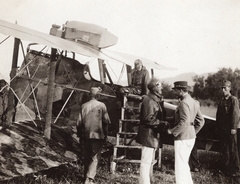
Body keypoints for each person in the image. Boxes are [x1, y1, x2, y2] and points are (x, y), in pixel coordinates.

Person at [167, 81, 205, 184]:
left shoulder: (183, 103)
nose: (175, 92)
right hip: (191, 137)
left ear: (181, 90)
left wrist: (172, 131)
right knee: (184, 164)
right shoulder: (193, 102)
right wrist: (193, 132)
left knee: (180, 166)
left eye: (176, 90)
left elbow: (184, 121)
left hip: (182, 137)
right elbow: (201, 121)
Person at [136, 77, 169, 184]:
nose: (162, 88)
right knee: (146, 161)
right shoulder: (149, 101)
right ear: (154, 89)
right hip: (148, 136)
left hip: (151, 136)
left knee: (148, 161)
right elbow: (148, 120)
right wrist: (163, 123)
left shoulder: (154, 99)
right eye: (159, 86)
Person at [76, 87, 111, 184]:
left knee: (87, 155)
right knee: (95, 157)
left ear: (89, 95)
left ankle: (85, 176)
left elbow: (79, 123)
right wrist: (106, 135)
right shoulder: (101, 105)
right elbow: (106, 122)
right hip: (97, 135)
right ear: (98, 95)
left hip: (86, 135)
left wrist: (79, 135)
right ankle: (89, 178)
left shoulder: (83, 106)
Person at [216, 80, 240, 176]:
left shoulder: (233, 100)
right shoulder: (221, 101)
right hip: (223, 129)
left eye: (225, 88)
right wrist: (217, 127)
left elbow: (236, 115)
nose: (223, 90)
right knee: (224, 149)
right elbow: (218, 115)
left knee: (233, 149)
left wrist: (233, 128)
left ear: (229, 89)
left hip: (230, 129)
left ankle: (237, 170)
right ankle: (226, 169)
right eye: (222, 88)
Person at [187, 86, 201, 172]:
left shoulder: (195, 102)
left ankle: (195, 165)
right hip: (190, 127)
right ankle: (192, 165)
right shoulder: (194, 102)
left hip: (192, 127)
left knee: (193, 147)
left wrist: (195, 131)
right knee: (191, 147)